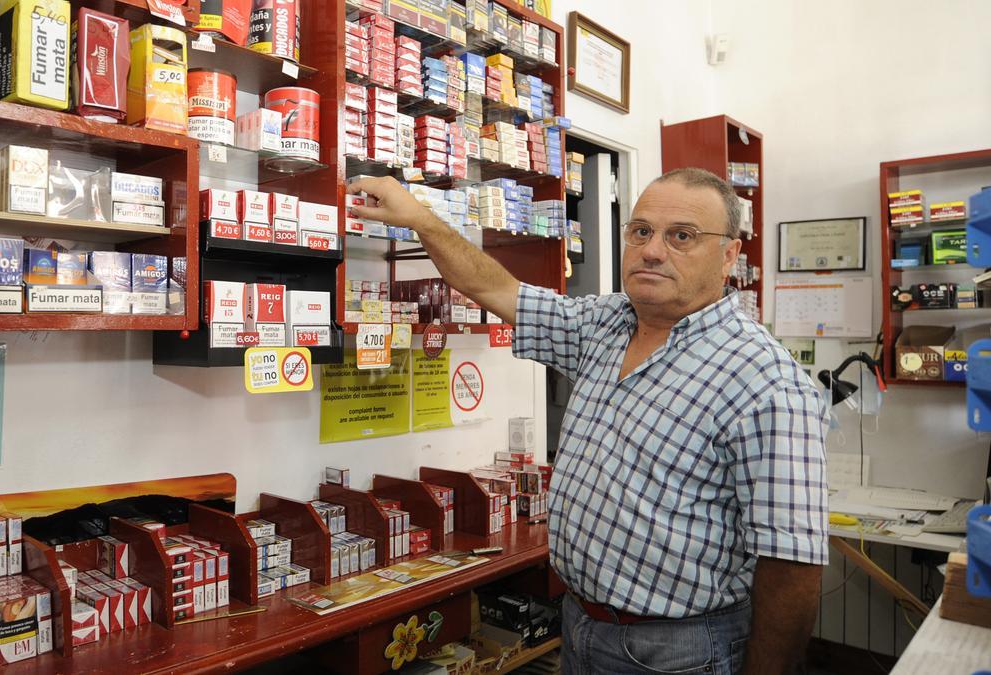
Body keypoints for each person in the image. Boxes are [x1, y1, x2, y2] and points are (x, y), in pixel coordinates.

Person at [348, 168, 828, 675]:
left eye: (681, 236)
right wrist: (422, 218)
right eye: (640, 231)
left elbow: (792, 565)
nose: (652, 250)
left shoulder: (767, 382)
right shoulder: (605, 324)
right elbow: (495, 288)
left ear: (729, 255)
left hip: (680, 650)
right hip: (580, 622)